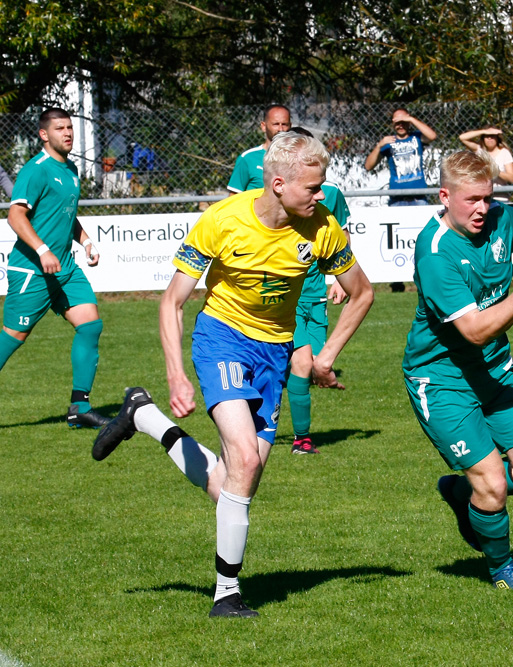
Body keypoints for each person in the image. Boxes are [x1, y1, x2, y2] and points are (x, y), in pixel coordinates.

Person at [91, 132, 374, 618]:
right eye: (313, 187)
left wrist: (325, 355)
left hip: (274, 355)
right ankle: (227, 595)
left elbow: (362, 292)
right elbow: (172, 301)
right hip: (221, 339)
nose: (322, 195)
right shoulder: (223, 221)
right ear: (279, 184)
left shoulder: (323, 227)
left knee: (232, 484)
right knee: (244, 456)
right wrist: (177, 374)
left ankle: (145, 418)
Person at [402, 150, 513, 589]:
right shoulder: (436, 252)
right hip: (441, 379)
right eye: (471, 200)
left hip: (494, 372)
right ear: (445, 196)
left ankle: (463, 494)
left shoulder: (501, 218)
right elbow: (474, 331)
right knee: (494, 483)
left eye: (488, 198)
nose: (482, 209)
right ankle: (502, 570)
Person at [1, 108, 109, 429]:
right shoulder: (36, 170)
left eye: (70, 128)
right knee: (13, 337)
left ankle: (79, 408)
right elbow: (16, 216)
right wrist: (43, 250)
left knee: (90, 325)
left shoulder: (71, 169)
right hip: (32, 271)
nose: (68, 133)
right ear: (43, 135)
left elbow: (63, 214)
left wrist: (86, 241)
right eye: (60, 128)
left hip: (64, 269)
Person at [283, 126, 353, 454]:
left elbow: (342, 237)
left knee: (312, 365)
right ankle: (302, 439)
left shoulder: (331, 196)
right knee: (302, 364)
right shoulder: (279, 200)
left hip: (316, 293)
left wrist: (338, 278)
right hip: (289, 295)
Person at [364, 106, 437, 206]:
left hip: (418, 197)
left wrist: (411, 119)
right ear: (393, 124)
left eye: (404, 122)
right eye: (398, 123)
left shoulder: (416, 137)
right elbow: (368, 166)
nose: (401, 126)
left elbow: (432, 136)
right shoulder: (388, 142)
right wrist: (379, 146)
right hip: (397, 198)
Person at [226, 104, 292, 195]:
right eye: (275, 124)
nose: (280, 129)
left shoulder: (297, 158)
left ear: (290, 126)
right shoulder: (248, 159)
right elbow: (233, 199)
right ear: (263, 126)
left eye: (284, 124)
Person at [459, 126, 513, 201]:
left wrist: (495, 170)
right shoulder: (479, 150)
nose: (489, 138)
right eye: (487, 136)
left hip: (500, 197)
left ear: (497, 138)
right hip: (481, 197)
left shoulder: (504, 153)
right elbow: (462, 137)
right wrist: (484, 131)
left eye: (492, 136)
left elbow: (511, 178)